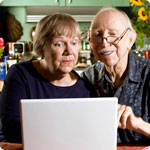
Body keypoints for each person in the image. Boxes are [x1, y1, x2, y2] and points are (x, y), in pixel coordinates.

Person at [0, 13, 96, 143]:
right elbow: (11, 130)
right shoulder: (20, 74)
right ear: (41, 48)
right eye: (59, 44)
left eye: (74, 43)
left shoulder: (85, 88)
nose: (69, 51)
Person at [81, 7, 150, 144]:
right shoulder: (87, 77)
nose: (104, 42)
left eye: (112, 34)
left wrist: (138, 124)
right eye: (97, 35)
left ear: (130, 39)